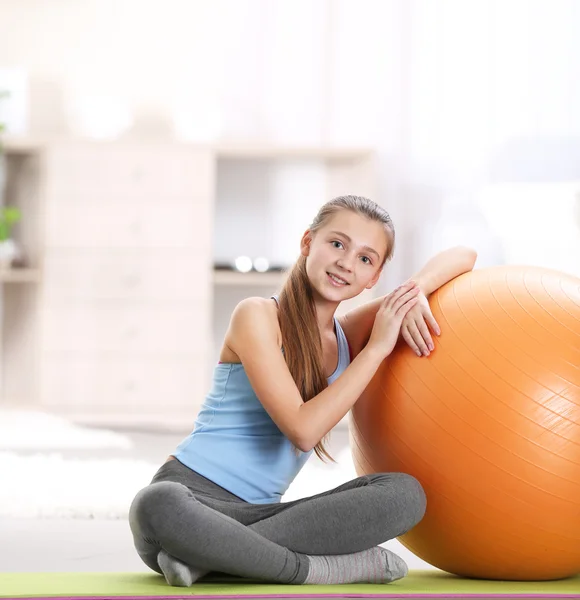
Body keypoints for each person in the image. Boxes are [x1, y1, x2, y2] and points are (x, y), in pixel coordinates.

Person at [129, 195, 477, 587]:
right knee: (154, 503)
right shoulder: (257, 315)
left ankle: (210, 561)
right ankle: (312, 570)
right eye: (338, 244)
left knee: (405, 494)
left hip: (265, 519)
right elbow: (302, 429)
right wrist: (377, 348)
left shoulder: (347, 334)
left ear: (374, 276)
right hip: (190, 506)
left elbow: (464, 255)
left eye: (366, 258)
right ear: (308, 243)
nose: (347, 263)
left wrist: (413, 293)